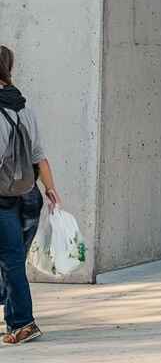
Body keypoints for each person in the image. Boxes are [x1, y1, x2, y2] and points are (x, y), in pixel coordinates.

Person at [0, 45, 61, 345]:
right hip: (29, 196)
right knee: (12, 260)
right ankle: (16, 320)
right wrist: (51, 189)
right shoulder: (25, 107)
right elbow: (40, 156)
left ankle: (23, 323)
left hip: (3, 200)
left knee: (10, 261)